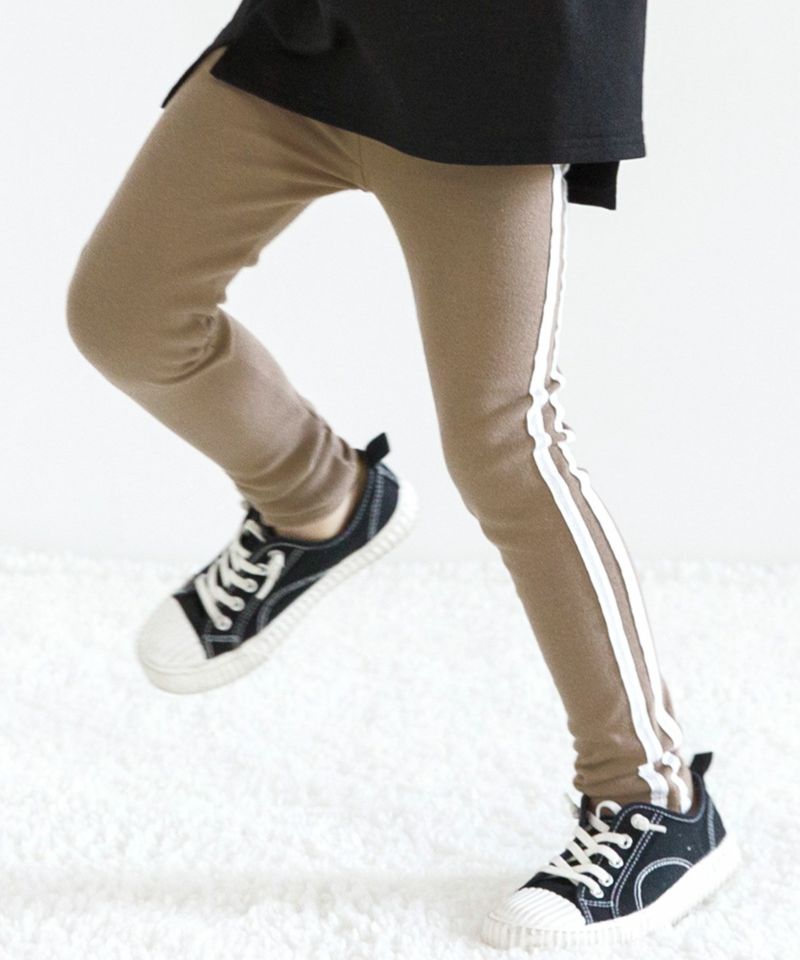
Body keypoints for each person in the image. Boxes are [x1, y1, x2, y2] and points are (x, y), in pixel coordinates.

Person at [65, 2, 740, 949]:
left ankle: (655, 801)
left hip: (492, 78)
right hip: (312, 38)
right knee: (124, 314)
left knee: (504, 441)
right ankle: (318, 502)